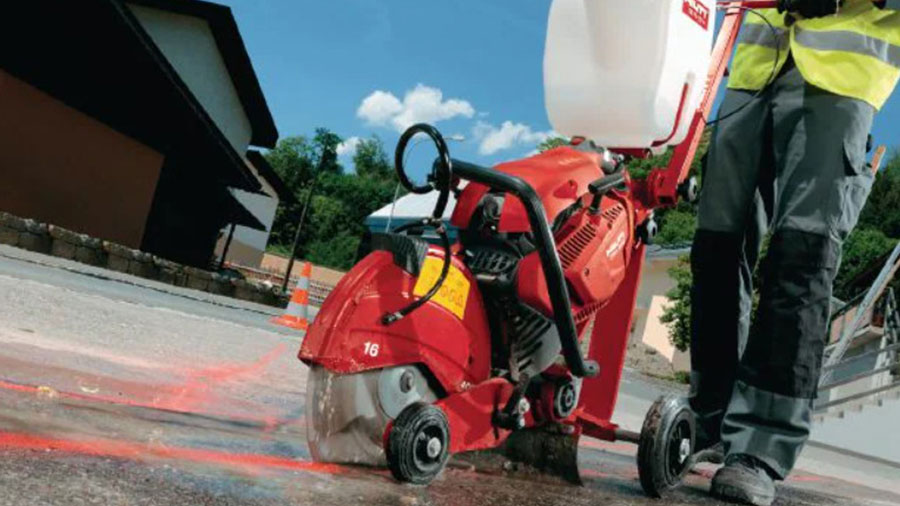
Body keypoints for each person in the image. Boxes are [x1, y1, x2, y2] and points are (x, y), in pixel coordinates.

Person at [689, 0, 900, 504]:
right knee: (715, 248)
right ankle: (708, 419)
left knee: (800, 259)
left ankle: (760, 446)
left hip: (840, 78)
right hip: (752, 72)